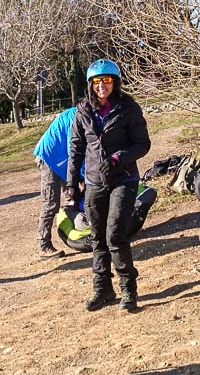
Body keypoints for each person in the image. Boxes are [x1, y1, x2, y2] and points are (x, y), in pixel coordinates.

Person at [66, 59, 151, 312]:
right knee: (97, 236)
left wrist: (118, 158)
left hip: (123, 179)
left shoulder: (129, 108)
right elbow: (76, 148)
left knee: (115, 234)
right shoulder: (83, 111)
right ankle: (102, 288)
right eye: (96, 81)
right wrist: (72, 183)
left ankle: (128, 288)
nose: (101, 86)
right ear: (90, 84)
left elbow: (142, 144)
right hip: (94, 181)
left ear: (115, 82)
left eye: (106, 80)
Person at [33, 107, 77, 257]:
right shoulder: (76, 117)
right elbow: (73, 149)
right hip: (49, 159)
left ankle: (79, 231)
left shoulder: (85, 115)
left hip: (62, 160)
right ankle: (43, 244)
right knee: (51, 203)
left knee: (73, 196)